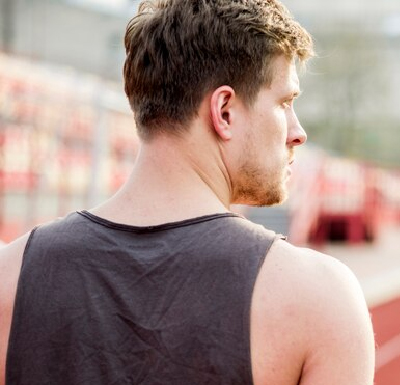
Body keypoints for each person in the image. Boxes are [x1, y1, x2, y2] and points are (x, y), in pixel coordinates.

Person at [0, 1, 375, 384]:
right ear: (224, 111)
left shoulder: (10, 275)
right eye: (285, 102)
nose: (298, 132)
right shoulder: (317, 298)